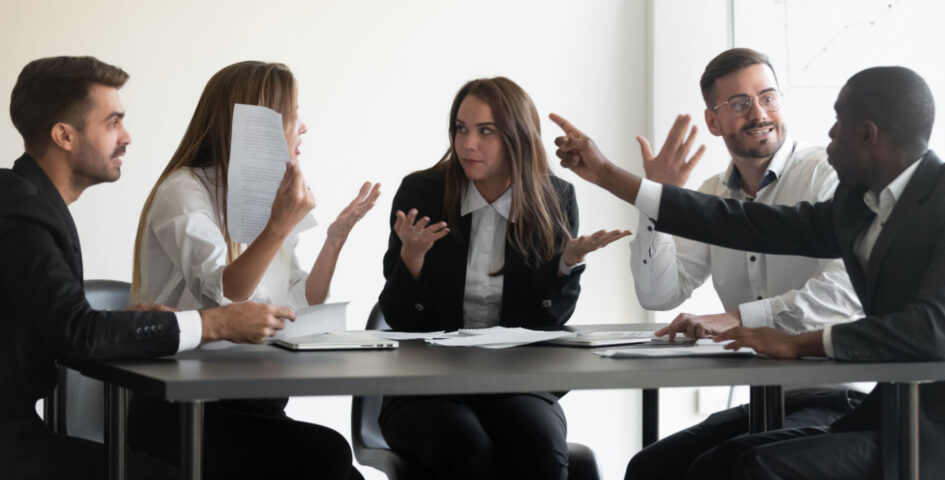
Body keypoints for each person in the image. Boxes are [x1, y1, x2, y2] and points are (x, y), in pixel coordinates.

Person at [552, 65, 945, 479]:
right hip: (893, 412)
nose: (830, 133)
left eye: (839, 121)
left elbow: (934, 330)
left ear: (868, 135)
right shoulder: (856, 205)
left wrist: (798, 341)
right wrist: (608, 175)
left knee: (757, 467)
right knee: (703, 463)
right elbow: (743, 222)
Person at [0, 56, 296, 480]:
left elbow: (61, 325)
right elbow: (79, 334)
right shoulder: (23, 216)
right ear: (64, 136)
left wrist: (116, 322)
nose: (127, 137)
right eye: (113, 122)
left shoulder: (28, 203)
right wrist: (213, 324)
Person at [128, 61, 374, 480]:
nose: (303, 127)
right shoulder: (184, 191)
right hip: (182, 408)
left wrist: (334, 241)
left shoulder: (268, 195)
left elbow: (300, 301)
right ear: (256, 125)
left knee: (336, 463)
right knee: (327, 455)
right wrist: (278, 226)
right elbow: (223, 297)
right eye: (292, 115)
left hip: (251, 397)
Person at [625, 48, 864, 479]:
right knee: (650, 467)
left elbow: (845, 293)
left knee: (720, 469)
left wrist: (737, 319)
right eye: (739, 103)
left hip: (838, 398)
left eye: (768, 97)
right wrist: (655, 203)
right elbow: (659, 292)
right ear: (713, 122)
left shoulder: (825, 176)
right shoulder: (712, 194)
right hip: (766, 399)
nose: (758, 113)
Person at [377, 77, 628, 480]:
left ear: (517, 138)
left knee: (540, 446)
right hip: (426, 385)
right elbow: (402, 321)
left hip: (517, 383)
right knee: (466, 448)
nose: (468, 144)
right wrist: (412, 258)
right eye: (461, 129)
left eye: (486, 131)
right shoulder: (421, 192)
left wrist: (564, 265)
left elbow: (546, 325)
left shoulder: (553, 198)